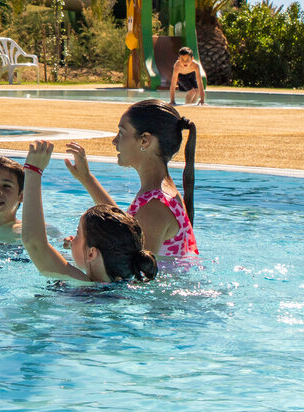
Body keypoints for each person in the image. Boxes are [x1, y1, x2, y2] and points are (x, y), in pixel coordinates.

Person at [64, 99, 199, 259]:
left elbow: (137, 276)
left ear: (144, 141)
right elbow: (126, 229)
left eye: (121, 132)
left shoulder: (154, 207)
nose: (114, 141)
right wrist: (86, 178)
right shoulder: (158, 194)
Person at [20, 140, 158, 283]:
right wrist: (80, 245)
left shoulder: (85, 286)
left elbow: (34, 243)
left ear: (91, 253)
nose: (72, 238)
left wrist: (33, 170)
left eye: (78, 233)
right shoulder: (129, 281)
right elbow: (120, 229)